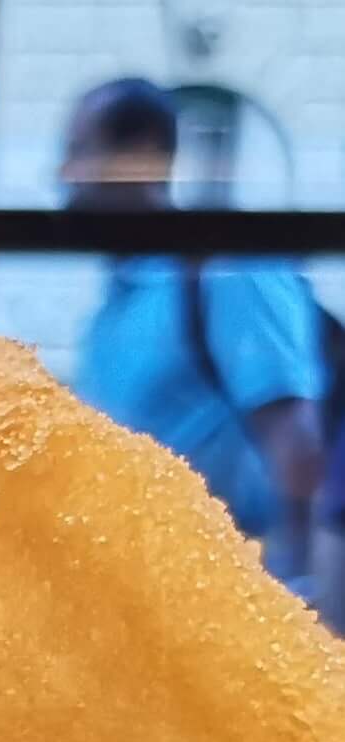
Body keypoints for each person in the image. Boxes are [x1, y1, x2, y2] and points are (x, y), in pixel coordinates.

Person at [60, 79, 328, 577]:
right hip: (139, 601)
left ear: (142, 155)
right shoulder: (117, 300)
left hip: (228, 601)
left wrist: (296, 600)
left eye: (80, 151)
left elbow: (296, 445)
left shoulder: (226, 271)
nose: (66, 174)